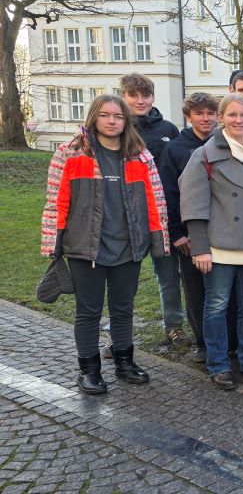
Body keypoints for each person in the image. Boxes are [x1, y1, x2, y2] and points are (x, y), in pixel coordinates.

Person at [41, 94, 168, 394]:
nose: (112, 121)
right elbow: (55, 200)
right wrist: (52, 242)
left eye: (118, 116)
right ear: (93, 118)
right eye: (105, 115)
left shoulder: (140, 155)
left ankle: (125, 362)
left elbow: (155, 201)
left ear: (126, 121)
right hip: (86, 247)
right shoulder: (71, 153)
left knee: (123, 308)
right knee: (88, 311)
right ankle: (89, 369)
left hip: (129, 246)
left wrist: (158, 239)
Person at [179, 94, 243, 390]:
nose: (238, 120)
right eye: (231, 115)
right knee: (217, 305)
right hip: (219, 244)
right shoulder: (205, 155)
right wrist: (200, 247)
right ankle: (218, 364)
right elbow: (193, 204)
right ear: (222, 118)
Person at [118, 74, 184, 345]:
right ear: (124, 97)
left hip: (162, 214)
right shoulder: (117, 127)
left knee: (168, 275)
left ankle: (174, 325)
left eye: (145, 95)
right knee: (123, 278)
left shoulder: (168, 129)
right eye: (134, 95)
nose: (140, 101)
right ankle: (119, 330)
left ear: (153, 97)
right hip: (126, 214)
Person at [158, 92, 218, 364]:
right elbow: (168, 193)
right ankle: (202, 341)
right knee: (195, 290)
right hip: (189, 232)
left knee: (222, 289)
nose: (205, 119)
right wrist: (176, 233)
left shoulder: (224, 143)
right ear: (188, 116)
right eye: (199, 113)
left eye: (210, 113)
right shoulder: (176, 148)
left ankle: (224, 339)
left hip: (223, 229)